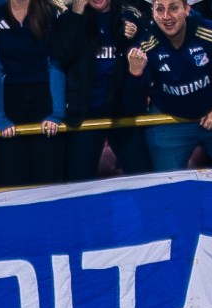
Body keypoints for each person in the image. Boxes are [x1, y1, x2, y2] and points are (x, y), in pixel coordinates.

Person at [124, 0, 212, 170]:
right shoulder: (144, 46)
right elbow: (132, 105)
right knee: (167, 182)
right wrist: (135, 75)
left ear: (187, 9)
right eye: (160, 9)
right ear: (153, 12)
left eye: (173, 8)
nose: (166, 16)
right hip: (169, 118)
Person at [61, 0, 152, 181]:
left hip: (123, 114)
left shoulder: (130, 15)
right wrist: (76, 15)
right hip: (84, 114)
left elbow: (144, 52)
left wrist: (133, 35)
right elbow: (62, 54)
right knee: (79, 183)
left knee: (143, 178)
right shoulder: (70, 16)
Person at [0, 0, 69, 186]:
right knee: (11, 177)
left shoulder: (49, 14)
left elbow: (55, 65)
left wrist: (56, 114)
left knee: (46, 179)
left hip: (44, 103)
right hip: (10, 104)